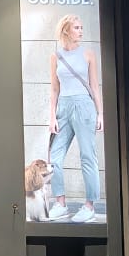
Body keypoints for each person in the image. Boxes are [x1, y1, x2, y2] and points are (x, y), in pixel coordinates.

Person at [47, 14, 102, 222]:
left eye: (81, 27)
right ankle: (60, 203)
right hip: (63, 107)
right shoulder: (55, 56)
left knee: (88, 156)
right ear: (66, 30)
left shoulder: (88, 54)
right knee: (55, 157)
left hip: (84, 106)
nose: (81, 31)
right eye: (77, 28)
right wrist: (52, 116)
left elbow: (94, 85)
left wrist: (100, 113)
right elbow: (54, 89)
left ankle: (90, 206)